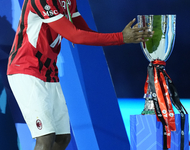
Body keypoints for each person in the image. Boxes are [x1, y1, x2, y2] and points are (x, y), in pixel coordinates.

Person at [7, 0, 154, 150]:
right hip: (26, 70)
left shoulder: (69, 1)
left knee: (62, 138)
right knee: (45, 137)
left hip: (48, 73)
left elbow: (84, 31)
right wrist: (120, 37)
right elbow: (74, 35)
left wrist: (121, 37)